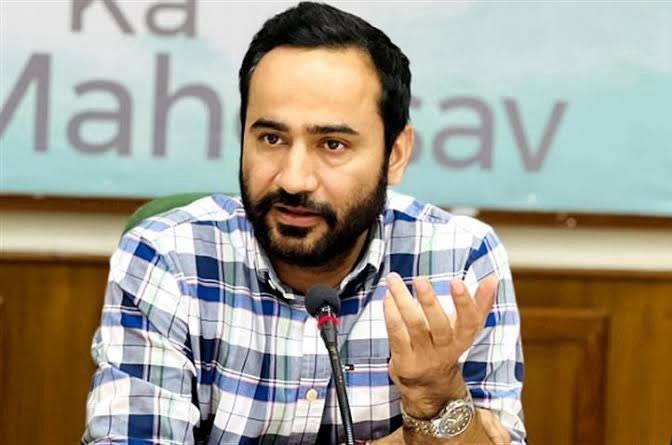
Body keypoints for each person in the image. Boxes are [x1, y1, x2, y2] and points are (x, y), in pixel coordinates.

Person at [82, 2, 525, 444]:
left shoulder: (459, 261)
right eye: (272, 138)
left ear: (395, 154)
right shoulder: (169, 258)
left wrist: (436, 395)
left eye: (332, 144)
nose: (293, 180)